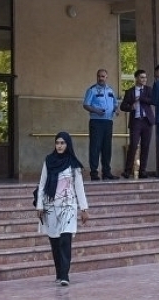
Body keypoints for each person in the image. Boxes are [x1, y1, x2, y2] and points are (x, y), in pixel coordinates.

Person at [36, 131, 89, 286]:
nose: (59, 146)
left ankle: (65, 275)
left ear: (68, 145)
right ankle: (59, 273)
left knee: (65, 240)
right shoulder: (49, 161)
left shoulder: (73, 164)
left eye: (62, 143)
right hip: (50, 206)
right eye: (57, 143)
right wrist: (39, 205)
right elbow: (42, 184)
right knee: (55, 241)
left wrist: (84, 208)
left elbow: (79, 187)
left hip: (68, 206)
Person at [82, 69, 119, 181]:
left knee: (107, 148)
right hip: (96, 122)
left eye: (103, 76)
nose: (100, 78)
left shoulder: (110, 90)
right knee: (95, 147)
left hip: (108, 122)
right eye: (99, 76)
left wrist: (116, 109)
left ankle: (106, 172)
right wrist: (96, 111)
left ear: (106, 77)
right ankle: (94, 173)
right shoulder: (92, 90)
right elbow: (86, 105)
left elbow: (115, 103)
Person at [119, 69, 155, 179]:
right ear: (136, 78)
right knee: (133, 145)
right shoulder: (130, 91)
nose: (144, 79)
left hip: (147, 121)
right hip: (136, 121)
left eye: (145, 77)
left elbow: (153, 101)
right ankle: (127, 171)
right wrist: (131, 107)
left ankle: (142, 171)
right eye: (142, 77)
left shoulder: (148, 90)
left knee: (145, 146)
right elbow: (122, 106)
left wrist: (141, 98)